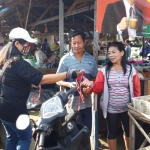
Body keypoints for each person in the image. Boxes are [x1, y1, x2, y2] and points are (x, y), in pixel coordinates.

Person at [0, 27, 81, 150]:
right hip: (15, 109)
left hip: (4, 108)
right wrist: (68, 74)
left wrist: (27, 84)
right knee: (25, 137)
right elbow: (42, 79)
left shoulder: (6, 60)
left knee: (12, 137)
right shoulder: (19, 63)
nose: (28, 47)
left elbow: (12, 80)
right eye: (25, 44)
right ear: (17, 43)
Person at [81, 42, 141, 150]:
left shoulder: (131, 70)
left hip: (127, 109)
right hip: (111, 109)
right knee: (112, 132)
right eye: (109, 53)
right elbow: (99, 87)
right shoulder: (104, 71)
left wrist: (136, 105)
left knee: (128, 131)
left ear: (122, 52)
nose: (111, 55)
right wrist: (91, 85)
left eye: (114, 52)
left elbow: (137, 89)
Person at [56, 29, 98, 134]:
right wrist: (68, 84)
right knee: (73, 133)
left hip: (88, 103)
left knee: (87, 130)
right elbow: (57, 80)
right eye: (73, 43)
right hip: (71, 104)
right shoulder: (65, 60)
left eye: (79, 43)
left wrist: (91, 88)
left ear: (84, 42)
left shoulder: (91, 59)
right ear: (70, 43)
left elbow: (95, 78)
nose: (76, 45)